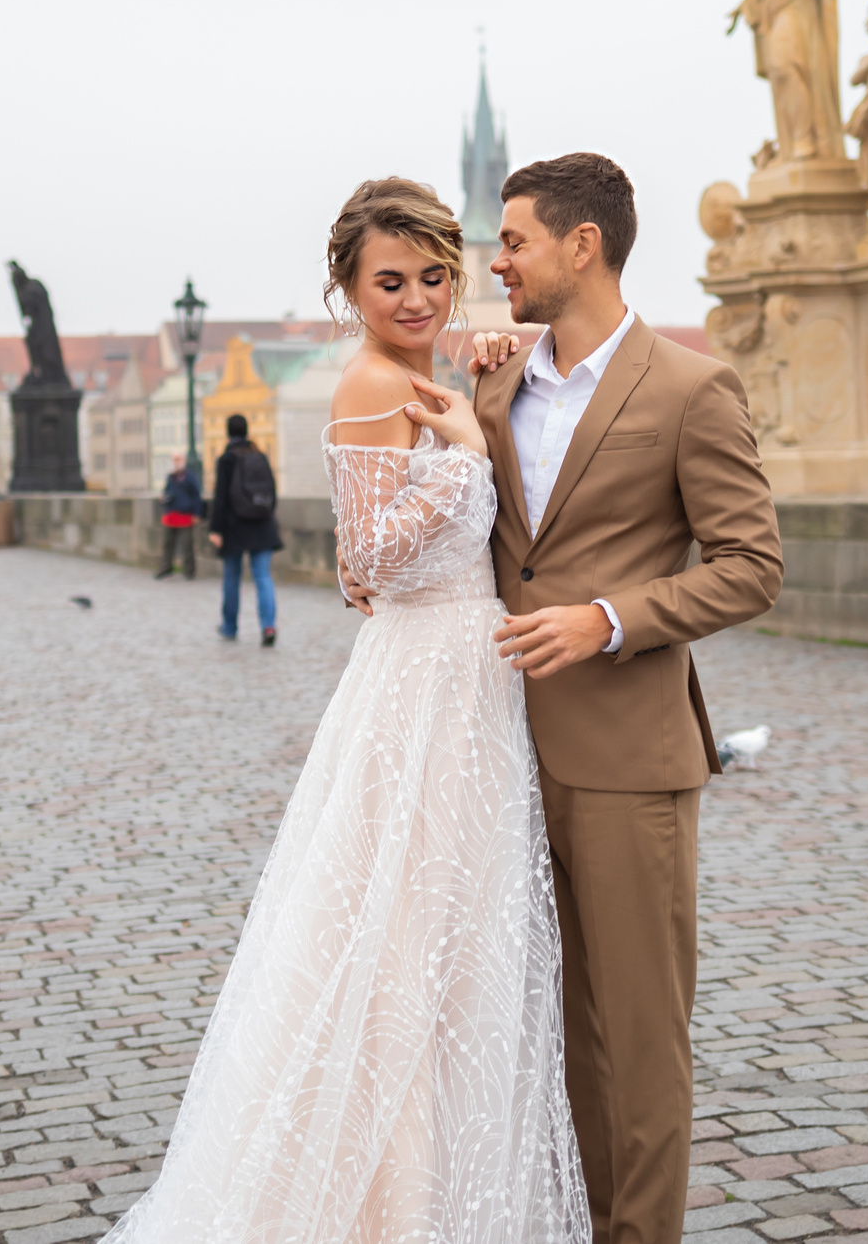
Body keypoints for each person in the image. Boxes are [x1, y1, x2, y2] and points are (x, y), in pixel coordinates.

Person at [107, 176, 586, 1243]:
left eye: (434, 277)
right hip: (427, 677)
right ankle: (388, 1207)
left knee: (447, 938)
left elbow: (375, 544)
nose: (416, 300)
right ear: (349, 290)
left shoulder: (428, 365)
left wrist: (492, 348)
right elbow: (367, 554)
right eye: (390, 282)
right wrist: (468, 454)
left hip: (461, 670)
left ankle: (422, 1195)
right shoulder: (371, 382)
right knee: (407, 941)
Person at [351, 152, 783, 1242]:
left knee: (637, 1043)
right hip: (491, 756)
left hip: (628, 760)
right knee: (542, 1038)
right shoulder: (493, 382)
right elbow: (428, 524)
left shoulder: (691, 389)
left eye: (513, 243)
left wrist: (607, 620)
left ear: (581, 246)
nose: (493, 263)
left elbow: (751, 567)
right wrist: (365, 562)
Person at [206, 414, 281, 646]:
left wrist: (215, 529)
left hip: (234, 526)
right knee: (263, 576)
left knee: (232, 577)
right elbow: (272, 492)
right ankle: (268, 626)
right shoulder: (259, 455)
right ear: (247, 431)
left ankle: (230, 626)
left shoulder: (226, 459)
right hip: (262, 524)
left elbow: (220, 498)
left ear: (228, 432)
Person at [152, 452, 202, 579]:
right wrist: (164, 499)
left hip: (185, 514)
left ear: (183, 460)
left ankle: (189, 570)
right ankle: (166, 567)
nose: (176, 462)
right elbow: (167, 492)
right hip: (171, 513)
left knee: (187, 545)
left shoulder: (190, 477)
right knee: (167, 544)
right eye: (174, 459)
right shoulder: (171, 477)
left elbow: (196, 496)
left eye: (178, 459)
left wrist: (196, 514)